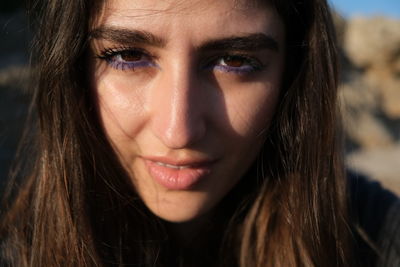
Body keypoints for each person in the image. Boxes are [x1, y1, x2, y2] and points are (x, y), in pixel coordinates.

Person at [0, 0, 399, 266]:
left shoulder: (372, 234)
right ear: (73, 71)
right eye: (128, 56)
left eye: (234, 60)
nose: (178, 131)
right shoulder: (17, 252)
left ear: (291, 76)